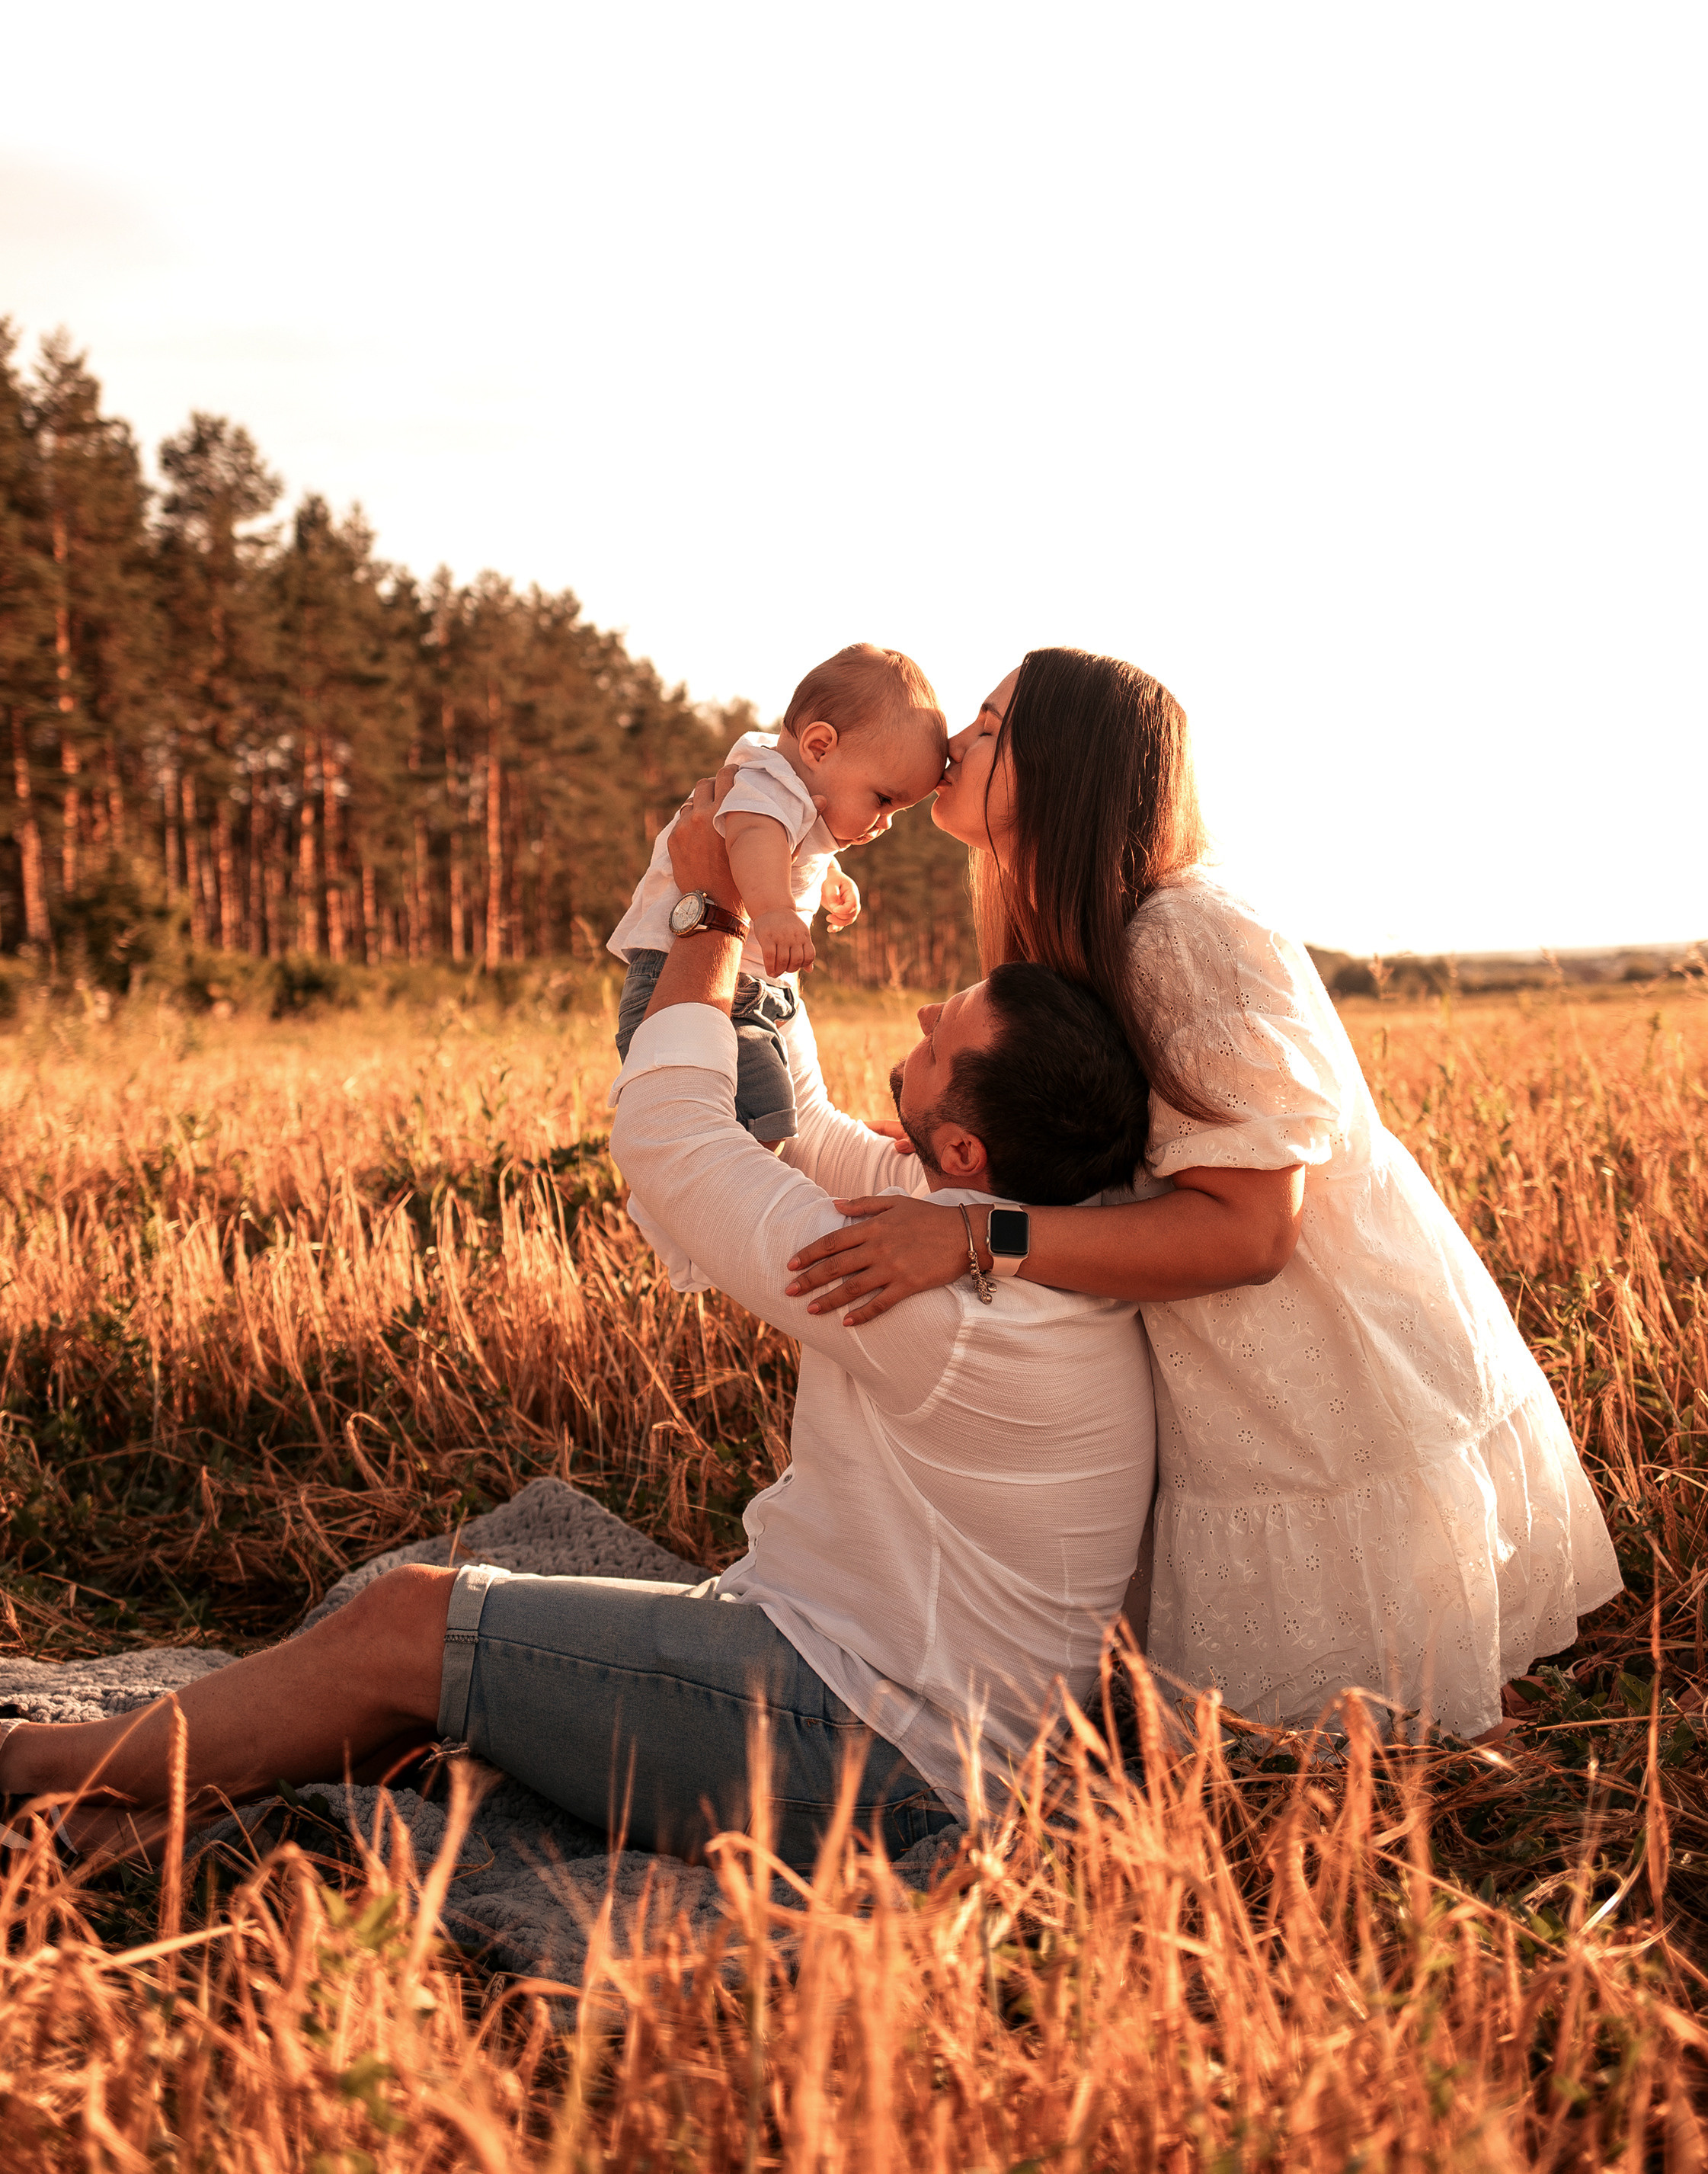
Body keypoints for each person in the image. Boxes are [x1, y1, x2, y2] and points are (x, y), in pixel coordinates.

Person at [0, 783, 1156, 1872]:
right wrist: (776, 897)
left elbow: (671, 1138)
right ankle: (127, 1817)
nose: (920, 1011)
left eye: (943, 1036)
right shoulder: (1001, 1225)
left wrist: (706, 913)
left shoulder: (942, 1304)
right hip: (865, 1696)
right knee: (443, 1662)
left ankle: (22, 1763)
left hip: (875, 1756)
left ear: (962, 1150)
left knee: (407, 1623)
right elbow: (802, 1126)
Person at [783, 648, 1622, 1741]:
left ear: (1066, 767)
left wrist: (979, 1238)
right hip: (1219, 1360)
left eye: (989, 726)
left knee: (1391, 1742)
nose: (953, 743)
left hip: (1321, 1364)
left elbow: (1252, 1231)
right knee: (1303, 1747)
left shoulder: (1184, 934)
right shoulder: (1083, 923)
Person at [608, 644, 946, 1289]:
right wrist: (771, 911)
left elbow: (794, 845)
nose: (884, 824)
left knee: (768, 1115)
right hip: (687, 976)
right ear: (819, 745)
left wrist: (829, 878)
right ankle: (672, 1201)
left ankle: (689, 1206)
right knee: (751, 1115)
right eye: (882, 799)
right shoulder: (767, 784)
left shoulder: (794, 792)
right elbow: (753, 836)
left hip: (742, 986)